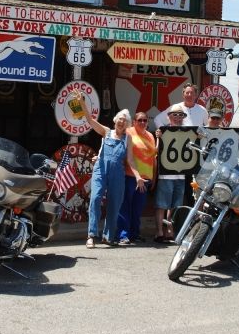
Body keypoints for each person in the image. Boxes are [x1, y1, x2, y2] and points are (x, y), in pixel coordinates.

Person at [71, 88, 142, 249]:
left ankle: (108, 236)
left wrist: (138, 176)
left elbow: (130, 160)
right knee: (95, 199)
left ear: (127, 124)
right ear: (115, 120)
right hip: (101, 170)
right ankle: (91, 235)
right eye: (120, 119)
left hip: (118, 174)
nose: (121, 122)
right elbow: (90, 120)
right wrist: (81, 103)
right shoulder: (106, 132)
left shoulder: (128, 139)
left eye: (124, 120)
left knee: (115, 203)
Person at [116, 112, 156, 245]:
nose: (143, 122)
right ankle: (123, 235)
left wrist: (154, 177)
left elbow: (153, 158)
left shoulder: (150, 136)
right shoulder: (128, 132)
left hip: (146, 178)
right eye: (140, 120)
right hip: (130, 176)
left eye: (145, 120)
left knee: (138, 208)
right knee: (125, 206)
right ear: (134, 121)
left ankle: (134, 234)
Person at [153, 104, 187, 243]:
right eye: (175, 115)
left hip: (181, 174)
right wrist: (158, 137)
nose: (178, 117)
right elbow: (156, 151)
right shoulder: (163, 131)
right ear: (169, 117)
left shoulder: (187, 132)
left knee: (175, 205)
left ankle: (169, 229)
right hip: (166, 174)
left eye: (180, 115)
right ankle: (159, 232)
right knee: (162, 204)